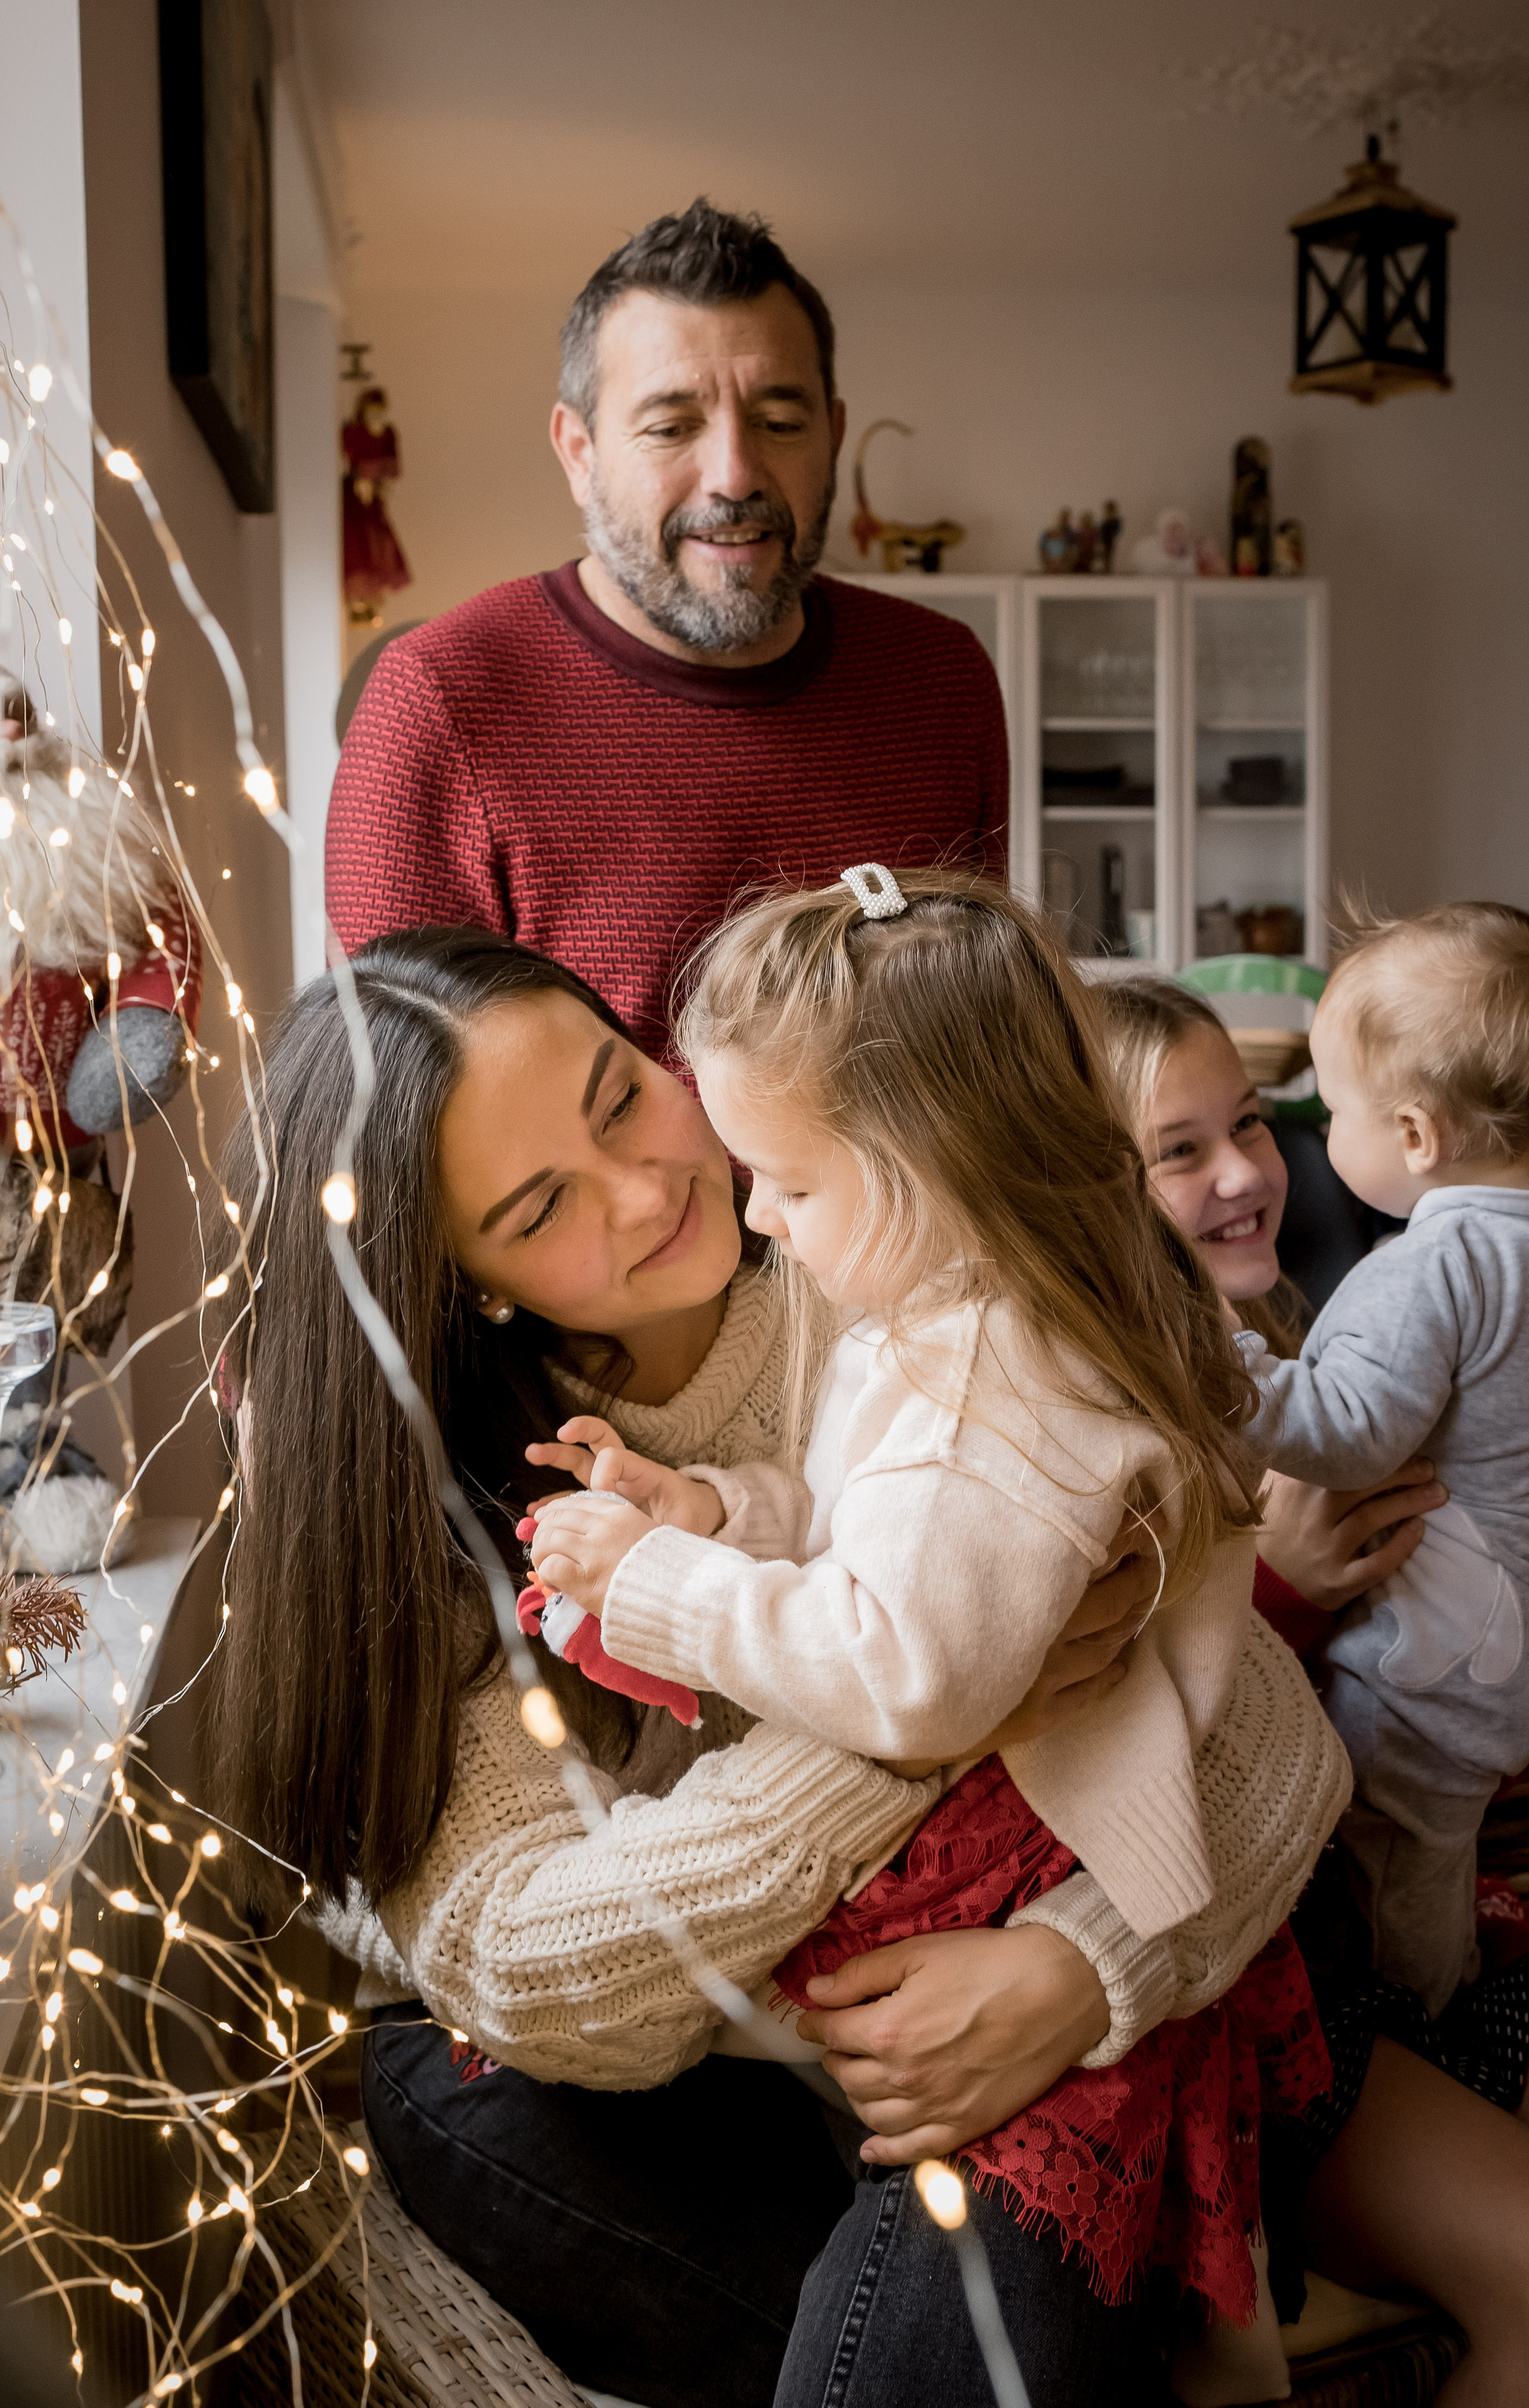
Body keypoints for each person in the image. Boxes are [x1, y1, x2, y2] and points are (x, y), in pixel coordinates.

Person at [203, 927, 1345, 2408]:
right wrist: (917, 1727)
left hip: (994, 1973)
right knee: (463, 2102)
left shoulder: (905, 1269)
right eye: (542, 1203)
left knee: (1007, 2222)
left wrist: (1089, 1970)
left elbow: (1255, 1728)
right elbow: (512, 1960)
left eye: (621, 1097)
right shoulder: (444, 1499)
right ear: (463, 1279)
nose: (648, 1190)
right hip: (688, 2065)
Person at [525, 865, 1341, 2327]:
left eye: (791, 1179)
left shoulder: (985, 1385)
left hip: (1031, 1851)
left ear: (934, 1161)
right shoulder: (961, 1309)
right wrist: (717, 1509)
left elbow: (905, 1667)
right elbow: (880, 1532)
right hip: (1048, 1834)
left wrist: (657, 1582)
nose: (760, 1216)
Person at [1102, 971, 1529, 2407]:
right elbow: (1119, 1783)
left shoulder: (1348, 1337)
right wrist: (1286, 1597)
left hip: (1455, 1931)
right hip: (1277, 2008)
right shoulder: (1106, 1425)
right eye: (1177, 1150)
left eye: (1249, 1125)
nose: (1247, 1173)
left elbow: (1464, 1727)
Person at [323, 203, 1008, 1058]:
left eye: (781, 423)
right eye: (672, 427)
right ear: (579, 451)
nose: (733, 475)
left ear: (832, 434)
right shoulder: (437, 701)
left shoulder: (942, 678)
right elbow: (398, 1120)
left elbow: (984, 1046)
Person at [1234, 904, 1529, 2015]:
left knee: (1399, 1865)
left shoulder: (1432, 1261)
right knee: (1434, 1850)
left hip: (1441, 1658)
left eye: (1333, 1110)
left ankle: (1426, 2033)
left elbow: (1353, 1430)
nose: (1323, 1135)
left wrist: (1224, 1374)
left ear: (1413, 1136)